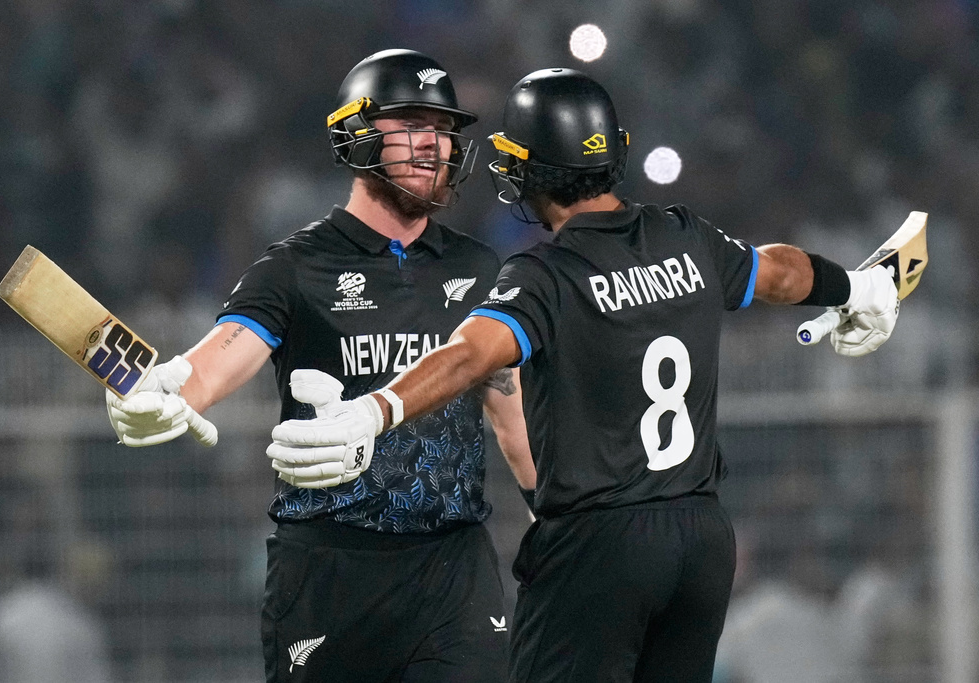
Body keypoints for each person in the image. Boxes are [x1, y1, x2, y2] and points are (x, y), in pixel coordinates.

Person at [266, 68, 901, 682]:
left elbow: (467, 355)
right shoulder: (685, 236)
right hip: (701, 540)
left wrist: (373, 410)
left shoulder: (546, 275)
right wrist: (855, 287)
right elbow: (780, 271)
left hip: (601, 547)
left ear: (532, 168)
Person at [106, 49, 534, 683]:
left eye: (442, 129)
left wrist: (563, 525)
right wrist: (164, 393)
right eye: (412, 124)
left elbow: (514, 422)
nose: (434, 145)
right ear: (357, 135)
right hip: (327, 574)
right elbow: (211, 364)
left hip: (455, 574)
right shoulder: (295, 268)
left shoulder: (480, 271)